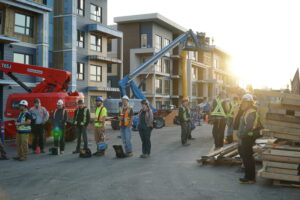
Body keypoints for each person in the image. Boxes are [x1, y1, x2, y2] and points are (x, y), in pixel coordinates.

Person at [238, 94, 261, 184]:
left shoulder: (251, 112)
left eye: (244, 102)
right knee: (246, 157)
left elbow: (249, 127)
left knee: (247, 157)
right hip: (247, 136)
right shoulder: (248, 111)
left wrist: (242, 135)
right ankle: (249, 176)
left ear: (248, 103)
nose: (242, 104)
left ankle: (250, 178)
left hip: (248, 137)